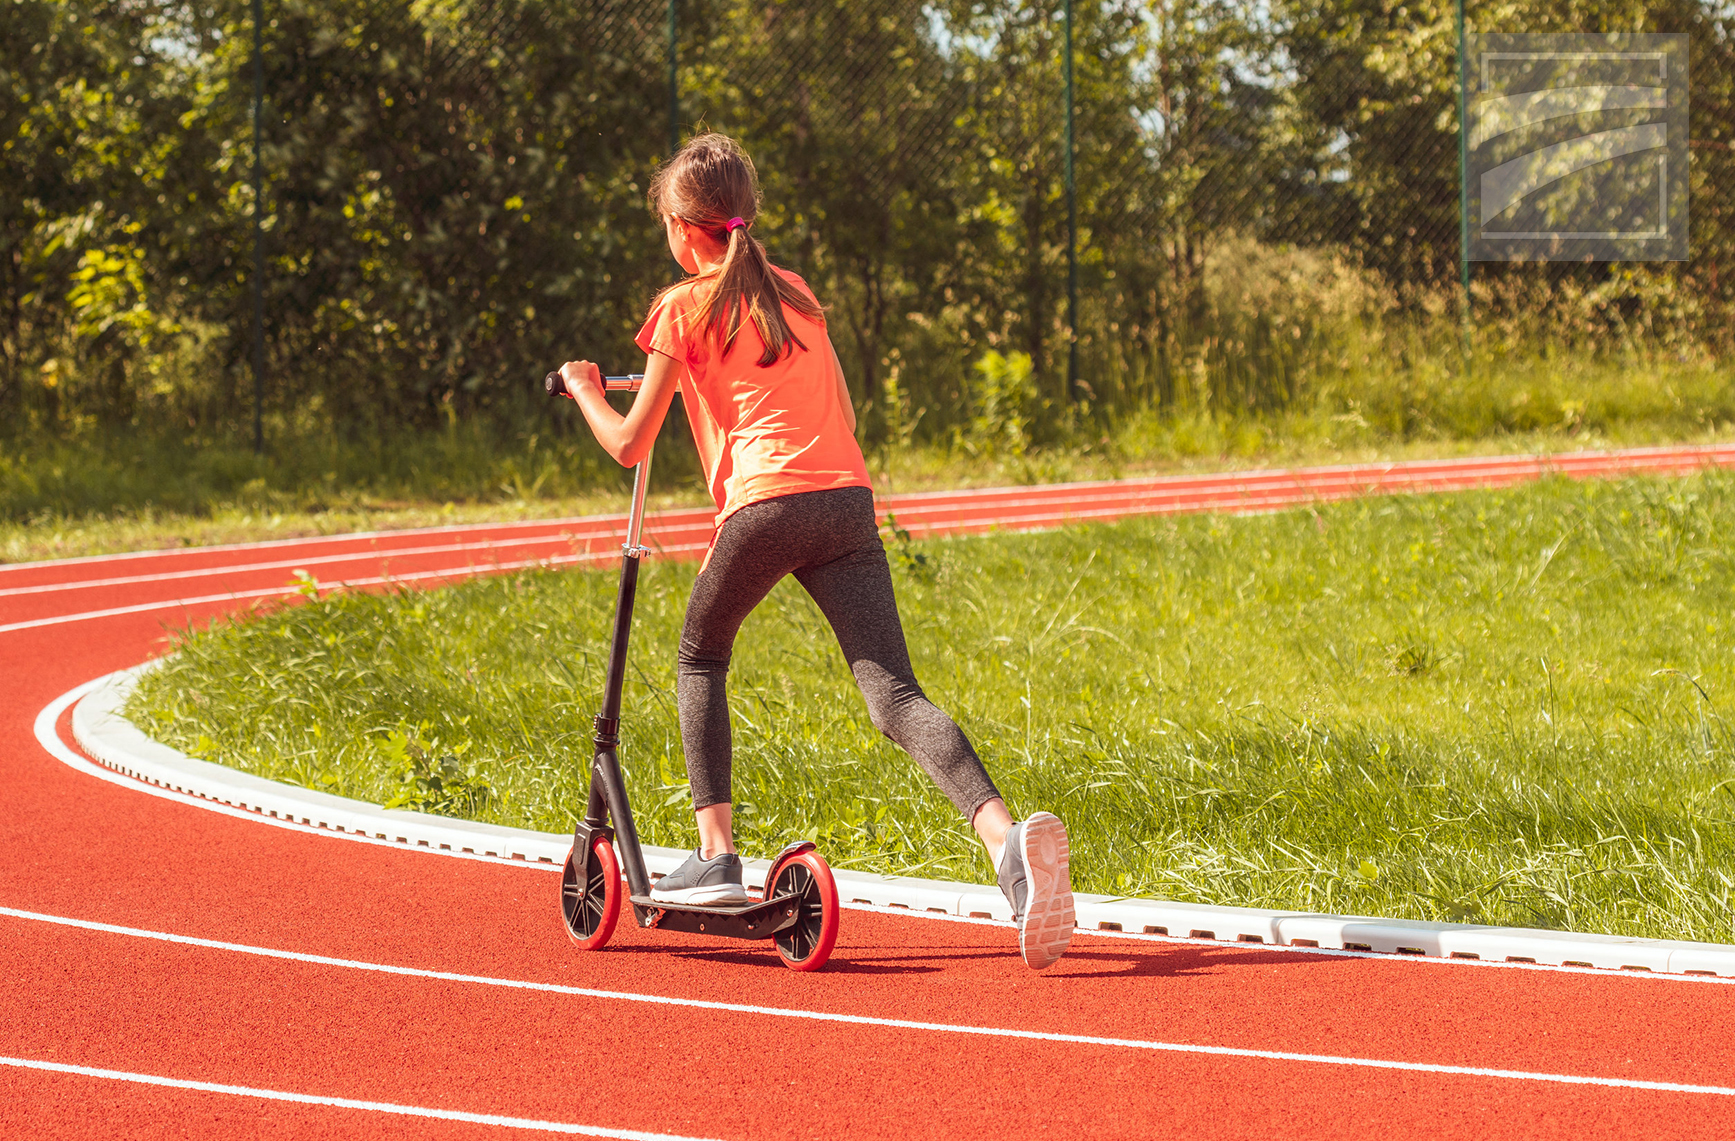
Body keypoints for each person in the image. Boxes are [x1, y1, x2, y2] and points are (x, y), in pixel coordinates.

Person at [557, 133, 1075, 970]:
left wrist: (585, 388)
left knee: (699, 655)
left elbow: (628, 442)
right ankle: (1005, 843)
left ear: (685, 230)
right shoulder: (792, 292)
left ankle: (716, 854)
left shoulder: (679, 306)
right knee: (896, 697)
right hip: (846, 501)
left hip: (766, 504)